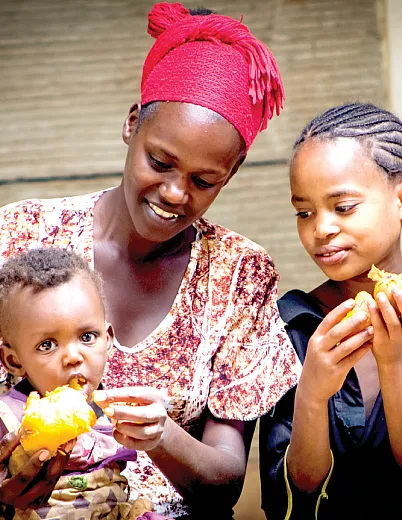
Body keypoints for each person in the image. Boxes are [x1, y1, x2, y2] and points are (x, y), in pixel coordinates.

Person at [0, 3, 301, 518]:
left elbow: (225, 482)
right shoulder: (19, 235)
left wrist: (164, 438)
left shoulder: (237, 272)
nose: (174, 194)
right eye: (159, 162)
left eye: (205, 181)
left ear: (232, 171)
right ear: (132, 124)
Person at [259, 101, 402, 519]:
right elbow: (290, 499)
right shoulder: (293, 326)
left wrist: (392, 366)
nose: (321, 229)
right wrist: (312, 394)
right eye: (304, 212)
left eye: (343, 207)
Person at [0, 247, 167, 520]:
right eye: (47, 345)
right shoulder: (8, 418)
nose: (74, 357)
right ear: (14, 360)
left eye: (87, 337)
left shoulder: (118, 413)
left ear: (108, 338)